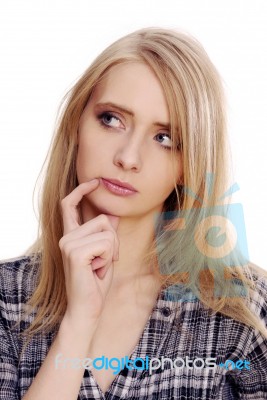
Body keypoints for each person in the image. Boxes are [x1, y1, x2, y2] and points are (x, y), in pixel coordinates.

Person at [0, 27, 266, 400]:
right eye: (111, 119)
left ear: (189, 165)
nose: (128, 157)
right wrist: (78, 324)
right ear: (76, 125)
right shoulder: (7, 299)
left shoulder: (241, 309)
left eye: (165, 138)